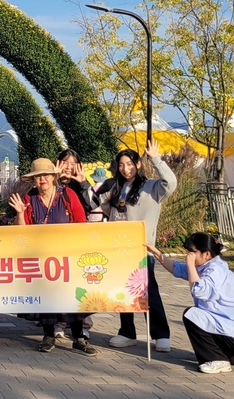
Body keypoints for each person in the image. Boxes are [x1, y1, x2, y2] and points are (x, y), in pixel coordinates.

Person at [7, 158, 95, 356]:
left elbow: (81, 222)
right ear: (33, 180)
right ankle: (48, 335)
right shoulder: (29, 199)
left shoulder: (67, 194)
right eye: (37, 177)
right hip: (41, 257)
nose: (42, 179)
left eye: (45, 175)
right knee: (45, 297)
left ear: (53, 177)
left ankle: (79, 338)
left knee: (73, 297)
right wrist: (20, 213)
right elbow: (22, 234)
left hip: (68, 256)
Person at [96, 140, 176, 352]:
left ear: (138, 164)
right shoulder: (117, 187)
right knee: (125, 291)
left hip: (142, 249)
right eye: (121, 165)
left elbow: (171, 183)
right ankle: (127, 331)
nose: (126, 169)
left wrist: (156, 159)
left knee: (149, 290)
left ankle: (161, 334)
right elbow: (108, 210)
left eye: (130, 164)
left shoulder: (152, 187)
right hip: (120, 249)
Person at [144, 233, 234, 374]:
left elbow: (199, 291)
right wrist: (155, 251)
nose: (189, 255)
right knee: (198, 316)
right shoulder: (206, 265)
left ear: (207, 254)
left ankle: (217, 359)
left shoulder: (216, 270)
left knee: (191, 315)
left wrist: (190, 266)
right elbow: (176, 268)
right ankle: (227, 355)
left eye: (193, 252)